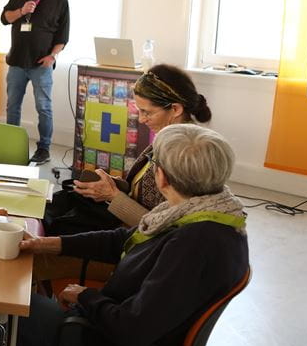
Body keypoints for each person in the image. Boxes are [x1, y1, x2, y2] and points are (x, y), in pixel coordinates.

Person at [5, 124, 248, 346]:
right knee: (20, 306)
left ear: (162, 176)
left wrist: (86, 297)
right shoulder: (205, 210)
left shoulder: (192, 245)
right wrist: (48, 244)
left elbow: (133, 329)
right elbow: (122, 239)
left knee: (11, 307)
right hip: (129, 341)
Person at [45, 64, 213, 239]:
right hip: (127, 223)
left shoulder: (184, 155)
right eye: (139, 111)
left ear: (176, 109)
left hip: (139, 238)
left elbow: (162, 228)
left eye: (147, 112)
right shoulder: (169, 137)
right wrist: (117, 186)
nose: (141, 119)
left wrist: (112, 195)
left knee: (54, 225)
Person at [0, 0, 69, 165]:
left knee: (44, 107)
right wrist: (22, 11)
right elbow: (5, 18)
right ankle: (11, 144)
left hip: (41, 64)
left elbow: (63, 35)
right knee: (13, 106)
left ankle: (44, 149)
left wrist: (52, 56)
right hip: (17, 62)